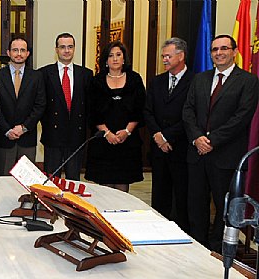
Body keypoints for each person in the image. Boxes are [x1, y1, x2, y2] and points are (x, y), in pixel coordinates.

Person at [182, 34, 259, 251]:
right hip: (197, 153)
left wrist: (212, 140)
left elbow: (242, 117)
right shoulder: (200, 79)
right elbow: (188, 111)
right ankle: (197, 245)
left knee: (223, 205)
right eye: (215, 49)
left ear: (234, 52)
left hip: (225, 154)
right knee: (196, 204)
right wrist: (197, 138)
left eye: (224, 48)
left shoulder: (248, 81)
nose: (219, 53)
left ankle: (218, 249)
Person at [143, 37, 194, 233]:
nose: (164, 59)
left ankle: (181, 233)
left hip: (180, 148)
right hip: (158, 149)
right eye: (163, 56)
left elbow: (191, 115)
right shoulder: (157, 81)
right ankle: (158, 231)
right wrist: (157, 134)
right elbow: (147, 111)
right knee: (159, 195)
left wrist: (167, 136)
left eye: (168, 56)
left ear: (181, 56)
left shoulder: (195, 81)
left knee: (181, 196)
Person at [85, 41, 145, 193]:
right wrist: (107, 133)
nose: (115, 59)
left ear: (124, 58)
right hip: (103, 141)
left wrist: (127, 131)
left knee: (122, 186)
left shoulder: (134, 79)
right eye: (111, 56)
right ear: (105, 60)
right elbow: (91, 112)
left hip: (127, 142)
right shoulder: (96, 81)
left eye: (118, 55)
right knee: (105, 188)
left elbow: (141, 108)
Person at [38, 33, 93, 180]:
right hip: (53, 136)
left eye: (70, 47)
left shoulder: (86, 74)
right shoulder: (44, 73)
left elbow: (89, 106)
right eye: (62, 47)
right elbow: (40, 105)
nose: (66, 50)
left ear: (74, 49)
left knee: (73, 180)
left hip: (76, 136)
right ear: (56, 50)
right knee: (51, 180)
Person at [0, 36, 46, 176]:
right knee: (3, 180)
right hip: (4, 137)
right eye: (15, 50)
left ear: (28, 53)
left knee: (27, 180)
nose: (19, 54)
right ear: (8, 52)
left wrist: (24, 127)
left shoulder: (37, 76)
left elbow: (40, 106)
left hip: (27, 137)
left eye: (22, 50)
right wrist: (7, 130)